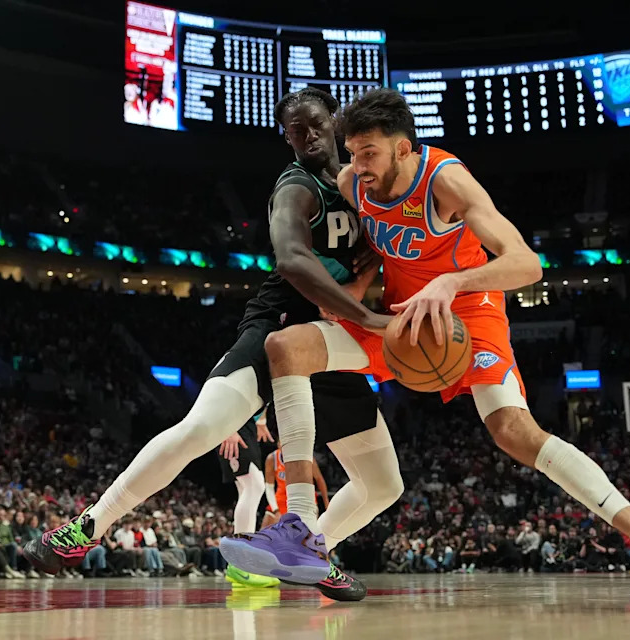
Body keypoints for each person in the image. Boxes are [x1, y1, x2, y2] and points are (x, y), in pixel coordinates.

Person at [219, 87, 630, 614]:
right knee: (286, 346)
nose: (356, 166)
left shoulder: (445, 180)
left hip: (468, 314)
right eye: (351, 153)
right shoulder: (354, 181)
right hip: (401, 319)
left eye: (368, 153)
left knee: (513, 431)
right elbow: (370, 247)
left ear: (404, 148)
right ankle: (299, 529)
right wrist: (351, 298)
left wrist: (451, 282)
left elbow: (527, 266)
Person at [23, 88, 405, 603]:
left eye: (316, 124)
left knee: (383, 485)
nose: (310, 136)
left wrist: (359, 293)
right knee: (201, 428)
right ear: (287, 139)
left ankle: (310, 550)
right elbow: (292, 258)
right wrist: (364, 313)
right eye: (297, 131)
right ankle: (85, 527)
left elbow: (377, 255)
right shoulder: (296, 186)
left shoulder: (365, 183)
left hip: (331, 340)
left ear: (334, 120)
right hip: (280, 324)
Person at [215, 412, 280, 587]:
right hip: (233, 423)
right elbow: (220, 387)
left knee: (246, 487)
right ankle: (241, 564)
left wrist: (262, 420)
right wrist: (229, 427)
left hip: (246, 423)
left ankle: (242, 568)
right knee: (254, 485)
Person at [261, 439, 330, 528]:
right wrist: (276, 510)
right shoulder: (272, 458)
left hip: (304, 500)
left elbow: (319, 479)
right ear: (278, 444)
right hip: (281, 500)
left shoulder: (305, 457)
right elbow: (269, 487)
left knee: (303, 536)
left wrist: (326, 504)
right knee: (263, 534)